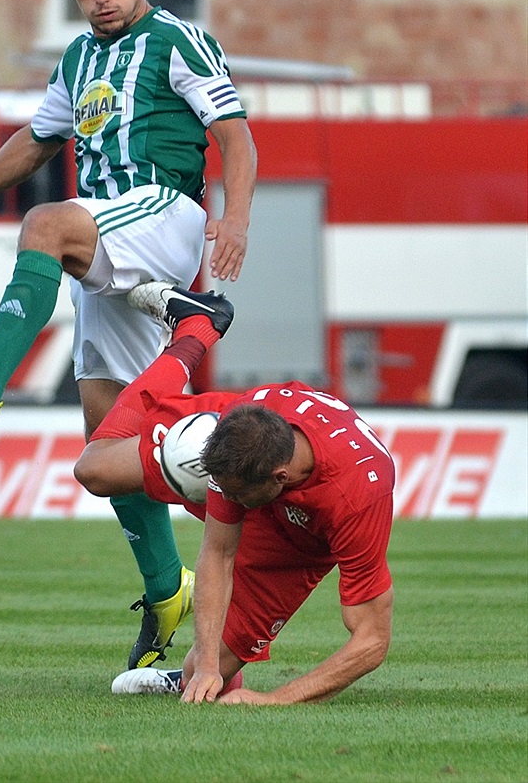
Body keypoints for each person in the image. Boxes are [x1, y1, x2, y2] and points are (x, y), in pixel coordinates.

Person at [0, 0, 257, 669]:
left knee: (43, 223)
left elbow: (234, 133)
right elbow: (36, 140)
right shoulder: (76, 59)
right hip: (105, 240)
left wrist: (236, 218)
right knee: (110, 437)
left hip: (161, 212)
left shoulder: (176, 39)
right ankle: (169, 591)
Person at [77, 282, 396, 705]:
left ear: (279, 478)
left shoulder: (357, 499)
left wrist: (275, 700)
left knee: (199, 675)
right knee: (95, 469)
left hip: (298, 543)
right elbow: (218, 550)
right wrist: (207, 661)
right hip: (241, 445)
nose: (221, 501)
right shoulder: (238, 437)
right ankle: (196, 330)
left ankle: (186, 674)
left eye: (230, 495)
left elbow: (371, 640)